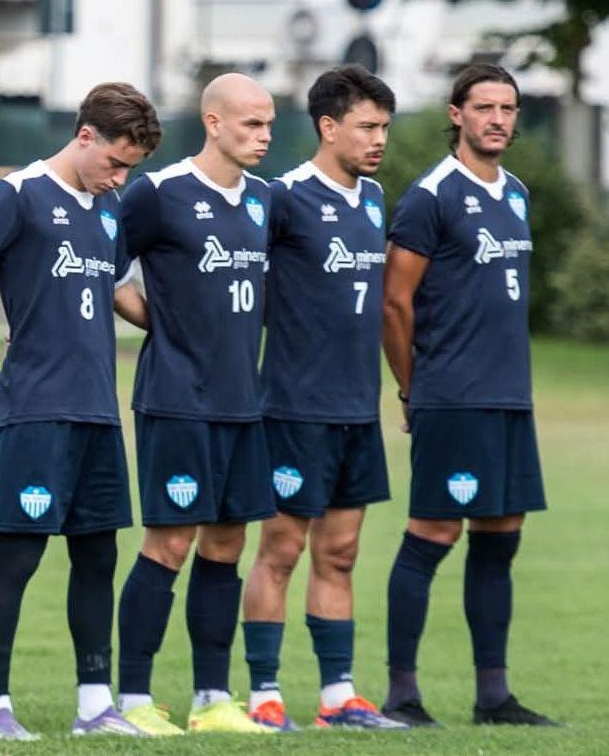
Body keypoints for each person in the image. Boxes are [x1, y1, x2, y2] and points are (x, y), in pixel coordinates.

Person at [0, 83, 161, 740]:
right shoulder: (16, 194)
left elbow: (117, 291)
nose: (120, 177)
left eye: (131, 167)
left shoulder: (108, 211)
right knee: (18, 555)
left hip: (98, 412)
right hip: (35, 410)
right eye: (114, 161)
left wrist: (196, 321)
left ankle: (93, 705)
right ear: (84, 136)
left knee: (98, 555)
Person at [381, 63, 555, 728]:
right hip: (453, 395)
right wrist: (412, 386)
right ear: (457, 114)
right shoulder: (431, 195)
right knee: (432, 532)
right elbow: (395, 304)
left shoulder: (516, 192)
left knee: (500, 537)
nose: (499, 119)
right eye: (485, 107)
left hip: (511, 396)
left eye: (509, 108)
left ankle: (493, 695)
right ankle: (401, 693)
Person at [239, 65, 406, 732]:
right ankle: (264, 695)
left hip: (356, 410)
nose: (378, 140)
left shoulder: (373, 199)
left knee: (341, 552)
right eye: (367, 126)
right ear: (328, 126)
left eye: (385, 128)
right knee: (281, 548)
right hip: (293, 407)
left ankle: (339, 696)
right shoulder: (281, 197)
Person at [113, 72, 276, 736]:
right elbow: (106, 269)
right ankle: (131, 700)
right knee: (170, 541)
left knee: (227, 546)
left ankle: (213, 696)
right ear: (213, 122)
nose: (263, 136)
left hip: (244, 401)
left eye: (268, 124)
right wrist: (164, 323)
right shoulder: (159, 192)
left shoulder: (266, 200)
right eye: (250, 124)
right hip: (177, 400)